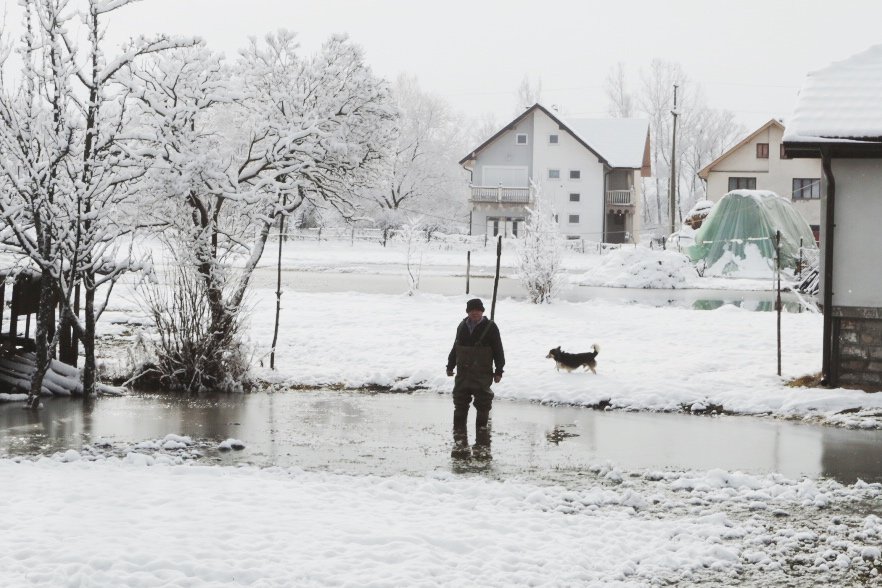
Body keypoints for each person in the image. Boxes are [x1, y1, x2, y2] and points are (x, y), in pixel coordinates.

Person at [446, 298, 504, 459]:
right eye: (472, 310)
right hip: (463, 374)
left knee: (483, 404)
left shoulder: (491, 327)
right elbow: (455, 347)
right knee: (460, 403)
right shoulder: (462, 326)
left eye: (478, 310)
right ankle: (459, 437)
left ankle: (482, 433)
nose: (475, 313)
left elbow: (498, 349)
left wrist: (499, 370)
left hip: (482, 373)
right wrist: (450, 365)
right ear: (468, 312)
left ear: (482, 311)